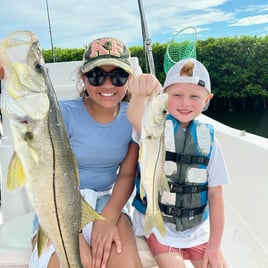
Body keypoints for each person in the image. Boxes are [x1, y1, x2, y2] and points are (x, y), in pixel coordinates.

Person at [29, 37, 143, 268]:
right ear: (83, 78)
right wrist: (73, 232)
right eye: (96, 76)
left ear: (129, 80)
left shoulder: (133, 117)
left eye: (118, 76)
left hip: (106, 202)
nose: (108, 85)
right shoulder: (62, 114)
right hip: (57, 205)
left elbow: (127, 175)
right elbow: (47, 176)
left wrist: (109, 217)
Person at [127, 58, 230, 268]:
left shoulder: (209, 141)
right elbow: (136, 117)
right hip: (160, 226)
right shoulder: (153, 127)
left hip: (196, 228)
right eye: (176, 95)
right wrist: (139, 93)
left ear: (207, 99)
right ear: (164, 97)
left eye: (194, 96)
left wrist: (215, 245)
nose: (185, 103)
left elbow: (215, 194)